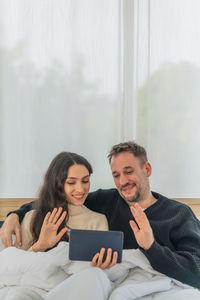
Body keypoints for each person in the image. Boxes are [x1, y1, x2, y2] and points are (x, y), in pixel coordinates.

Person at [1, 141, 200, 290]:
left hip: (154, 284)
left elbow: (196, 271)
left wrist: (151, 247)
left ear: (146, 169)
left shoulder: (179, 214)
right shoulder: (108, 201)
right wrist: (14, 215)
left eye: (128, 171)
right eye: (116, 175)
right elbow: (56, 198)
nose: (123, 181)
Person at [0, 151, 118, 300]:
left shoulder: (98, 220)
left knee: (94, 277)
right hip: (34, 289)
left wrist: (102, 265)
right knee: (16, 296)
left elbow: (91, 273)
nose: (80, 189)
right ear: (57, 184)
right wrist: (41, 245)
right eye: (71, 182)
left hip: (70, 290)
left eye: (85, 180)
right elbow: (15, 269)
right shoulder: (32, 217)